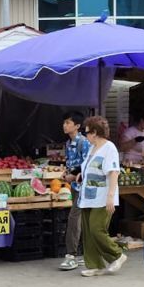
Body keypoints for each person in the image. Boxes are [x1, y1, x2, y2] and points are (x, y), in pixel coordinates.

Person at [78, 116, 126, 277]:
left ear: (95, 133)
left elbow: (113, 172)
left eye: (87, 133)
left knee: (96, 229)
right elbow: (90, 168)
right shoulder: (92, 148)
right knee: (88, 231)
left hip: (102, 196)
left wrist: (111, 197)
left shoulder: (109, 148)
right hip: (87, 197)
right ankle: (94, 265)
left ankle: (117, 255)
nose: (85, 136)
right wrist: (80, 175)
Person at [58, 111, 91, 272]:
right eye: (64, 122)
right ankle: (85, 255)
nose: (65, 125)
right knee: (81, 219)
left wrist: (73, 175)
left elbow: (87, 164)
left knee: (74, 218)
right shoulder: (68, 143)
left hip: (84, 187)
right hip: (75, 187)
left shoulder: (83, 142)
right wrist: (66, 173)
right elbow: (70, 163)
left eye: (68, 123)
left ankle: (71, 255)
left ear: (77, 126)